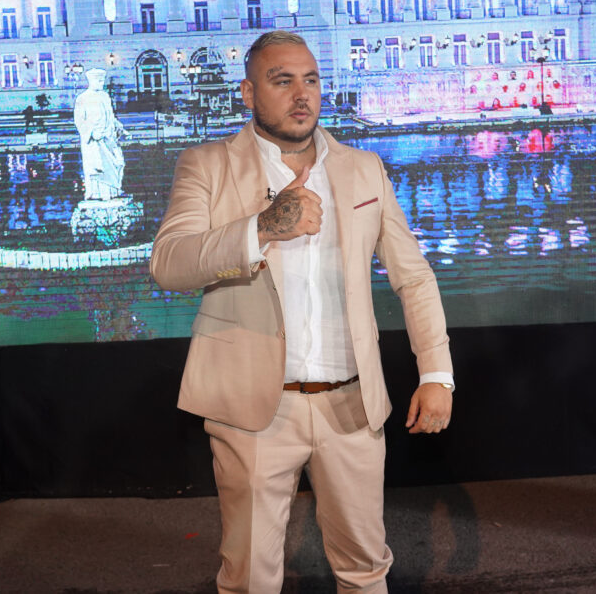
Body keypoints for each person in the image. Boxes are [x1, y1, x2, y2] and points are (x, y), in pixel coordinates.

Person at [150, 30, 454, 593]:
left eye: (310, 80)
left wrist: (436, 374)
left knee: (366, 569)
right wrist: (263, 228)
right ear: (248, 92)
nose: (301, 94)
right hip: (253, 411)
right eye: (282, 80)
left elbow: (413, 276)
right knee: (250, 578)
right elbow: (169, 264)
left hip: (352, 406)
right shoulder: (208, 164)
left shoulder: (363, 168)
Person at [73, 68, 125, 200]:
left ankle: (114, 191)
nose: (101, 83)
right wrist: (91, 133)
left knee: (118, 163)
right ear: (91, 81)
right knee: (97, 168)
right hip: (94, 141)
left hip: (109, 138)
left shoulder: (105, 96)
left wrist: (118, 126)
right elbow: (79, 120)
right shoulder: (83, 98)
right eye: (99, 81)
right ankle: (98, 194)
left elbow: (110, 115)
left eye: (102, 81)